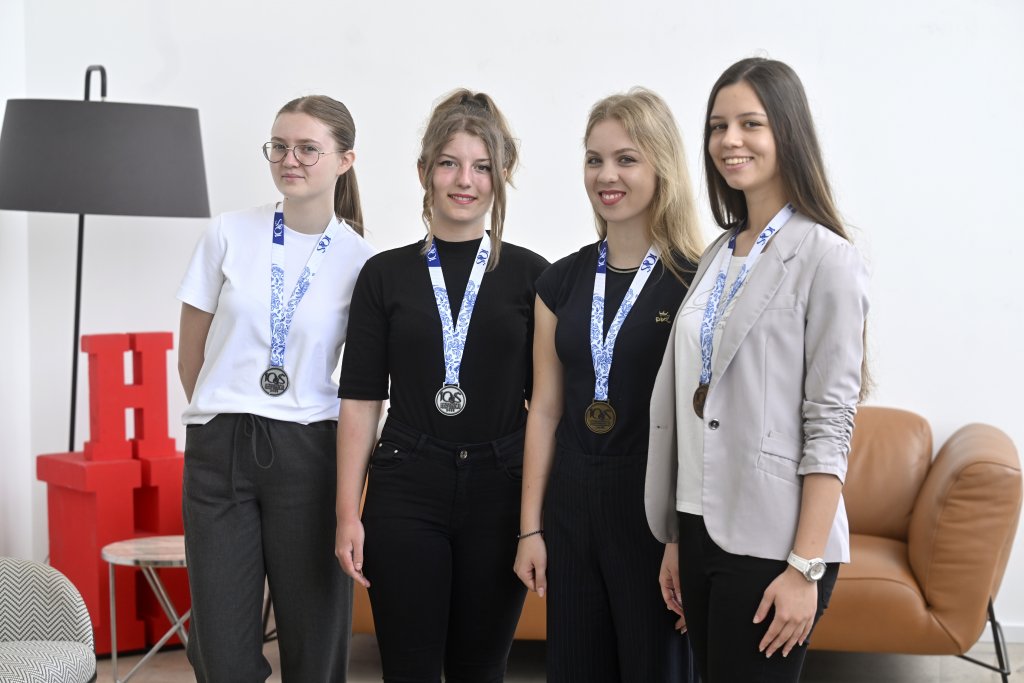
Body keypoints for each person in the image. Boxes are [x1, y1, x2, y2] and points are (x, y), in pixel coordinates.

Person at [644, 57, 870, 682]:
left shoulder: (827, 258)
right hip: (699, 526)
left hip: (775, 541)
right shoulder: (718, 252)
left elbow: (830, 423)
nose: (729, 140)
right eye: (718, 126)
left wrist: (805, 566)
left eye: (750, 123)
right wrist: (676, 536)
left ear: (787, 132)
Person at [334, 89, 549, 683]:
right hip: (408, 482)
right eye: (450, 163)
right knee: (409, 668)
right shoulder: (383, 274)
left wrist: (535, 522)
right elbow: (361, 400)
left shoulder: (534, 276)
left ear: (501, 175)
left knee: (481, 668)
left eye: (482, 167)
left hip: (500, 487)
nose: (464, 181)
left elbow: (546, 409)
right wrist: (348, 512)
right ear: (424, 171)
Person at [176, 95, 373, 682]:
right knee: (221, 649)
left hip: (309, 452)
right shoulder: (228, 232)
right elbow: (191, 355)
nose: (290, 159)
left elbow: (363, 384)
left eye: (308, 148)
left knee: (315, 643)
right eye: (280, 147)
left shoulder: (363, 262)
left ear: (344, 160)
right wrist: (223, 411)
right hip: (220, 450)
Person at [514, 87, 703, 682]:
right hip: (570, 504)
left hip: (652, 510)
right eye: (594, 159)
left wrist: (684, 539)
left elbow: (703, 426)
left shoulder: (696, 282)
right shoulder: (559, 283)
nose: (606, 175)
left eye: (626, 159)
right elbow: (544, 411)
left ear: (661, 167)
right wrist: (530, 528)